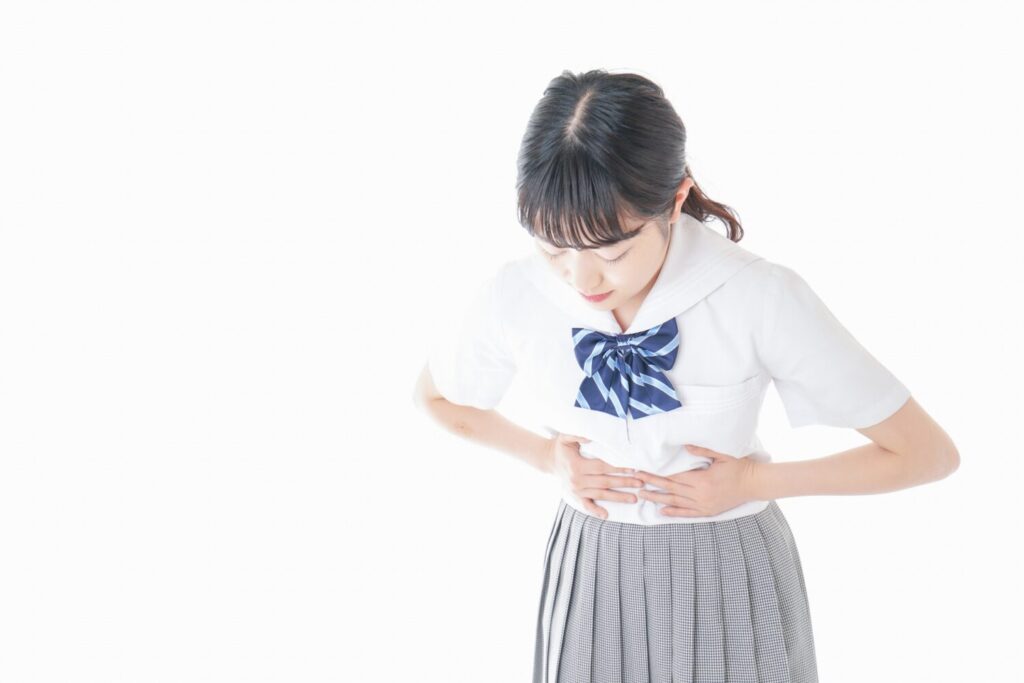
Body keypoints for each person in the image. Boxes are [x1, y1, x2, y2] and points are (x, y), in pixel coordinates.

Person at [412, 69, 959, 683]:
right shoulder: (515, 293)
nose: (581, 279)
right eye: (554, 247)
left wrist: (754, 480)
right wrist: (546, 457)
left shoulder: (757, 294)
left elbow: (927, 454)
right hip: (589, 564)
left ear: (676, 200)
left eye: (612, 251)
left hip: (732, 566)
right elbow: (435, 397)